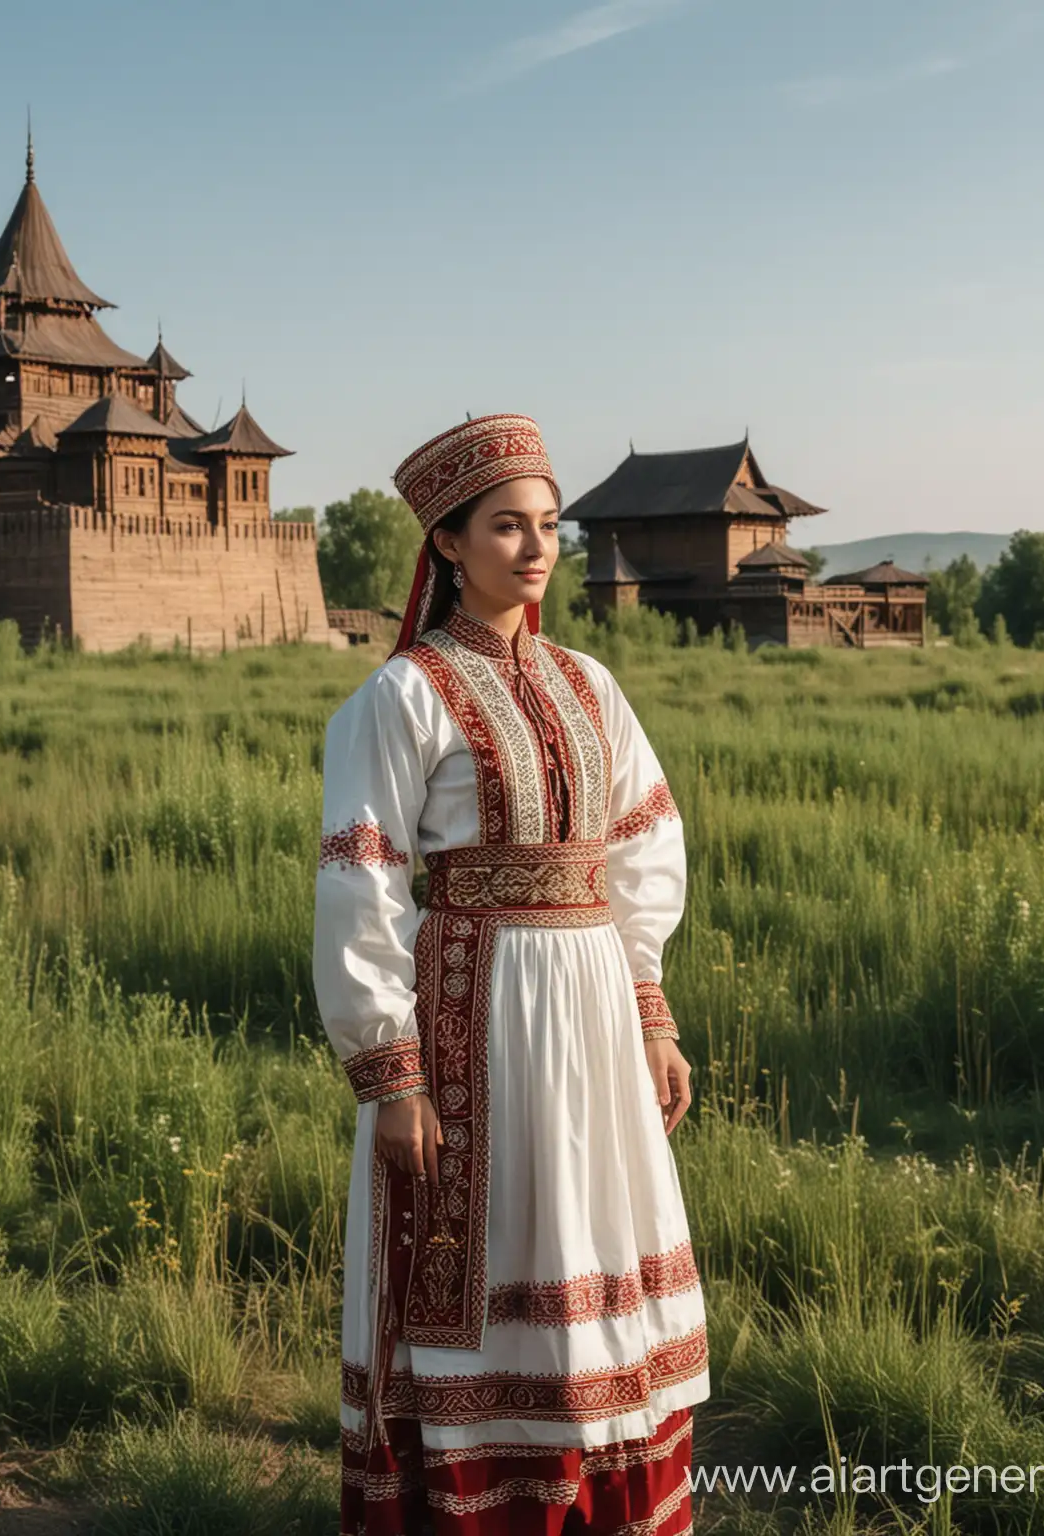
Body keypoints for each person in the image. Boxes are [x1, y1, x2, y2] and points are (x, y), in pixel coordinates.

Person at [313, 414, 709, 1535]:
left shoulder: (591, 685)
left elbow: (642, 855)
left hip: (591, 1014)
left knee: (595, 1238)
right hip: (476, 1021)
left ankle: (605, 1497)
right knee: (492, 1258)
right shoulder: (403, 697)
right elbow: (362, 885)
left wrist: (652, 1012)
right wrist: (391, 1074)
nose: (535, 550)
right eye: (506, 527)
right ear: (447, 543)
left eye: (547, 526)